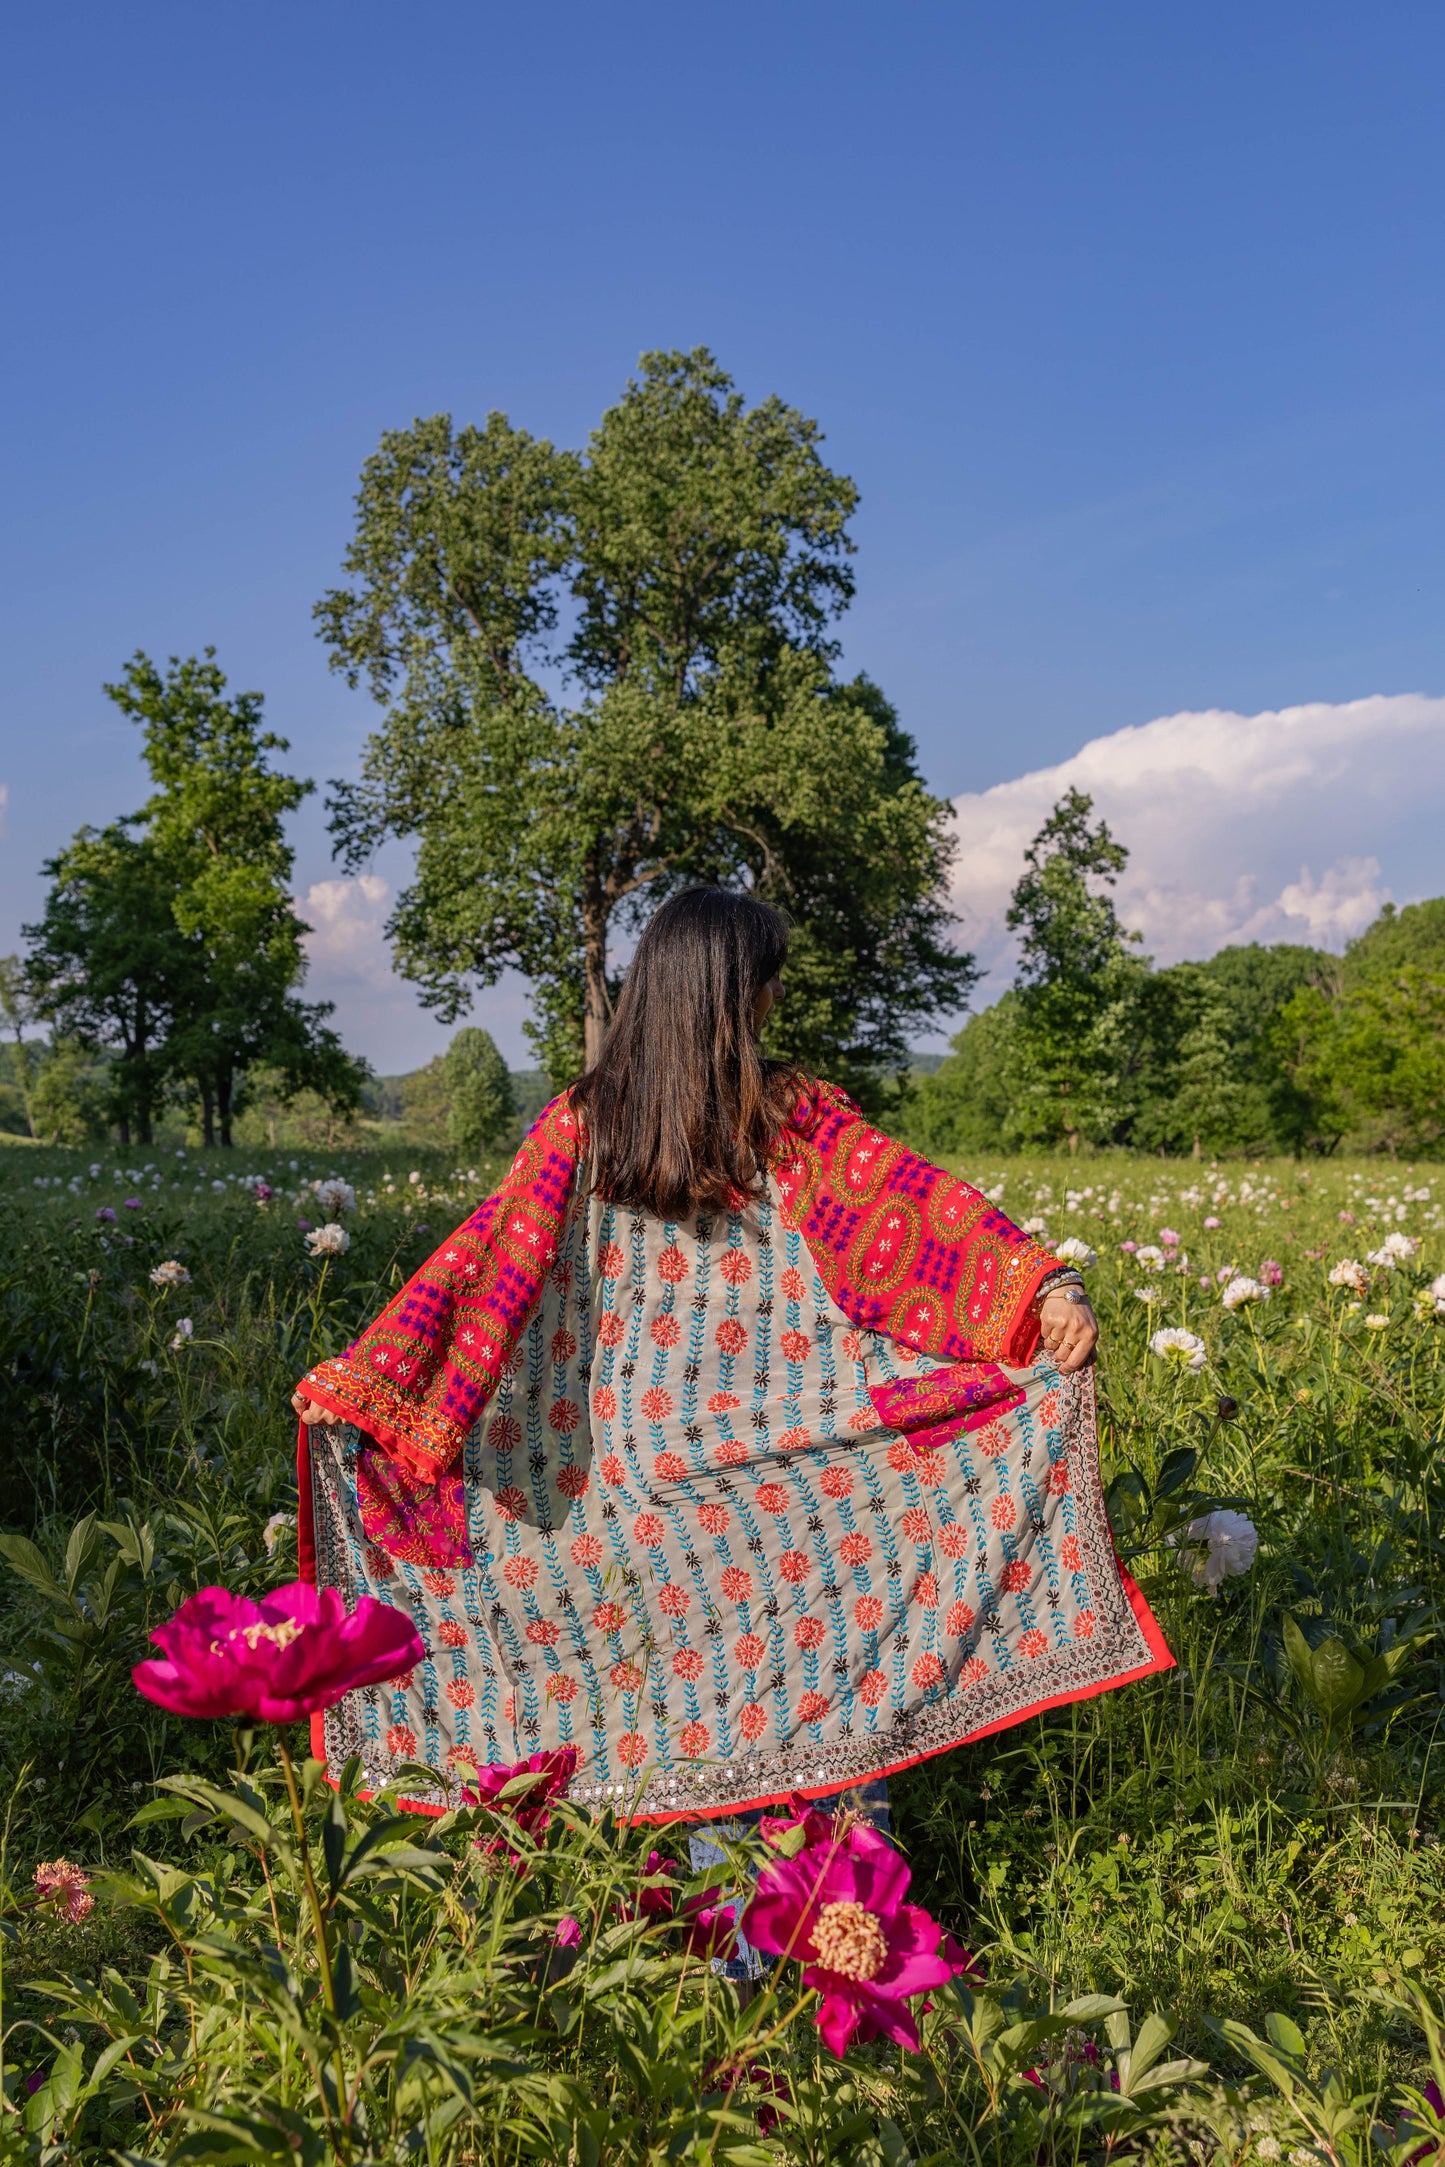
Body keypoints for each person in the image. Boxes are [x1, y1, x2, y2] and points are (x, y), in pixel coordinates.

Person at [292, 888, 1170, 1821]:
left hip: (624, 1475)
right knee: (808, 1682)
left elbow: (483, 1272)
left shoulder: (583, 1122)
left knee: (668, 1686)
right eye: (768, 976)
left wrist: (372, 1383)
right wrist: (1044, 1288)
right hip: (789, 1461)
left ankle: (695, 1913)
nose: (778, 994)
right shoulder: (783, 1113)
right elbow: (917, 1219)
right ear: (732, 991)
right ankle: (819, 1901)